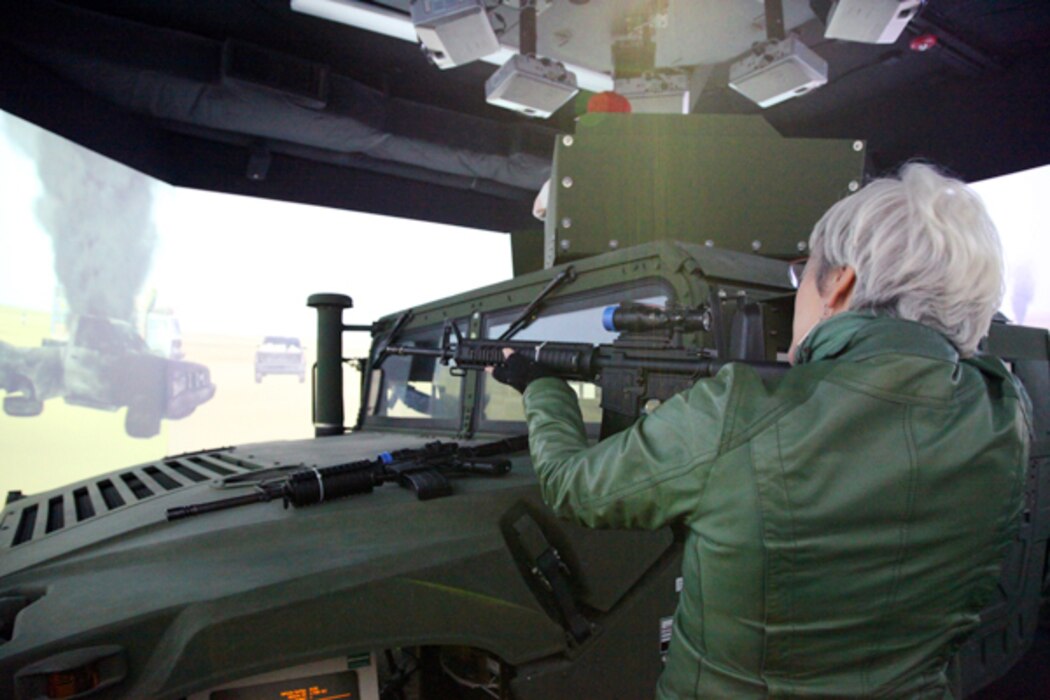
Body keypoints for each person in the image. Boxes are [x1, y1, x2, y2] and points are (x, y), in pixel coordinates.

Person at [493, 163, 1031, 698]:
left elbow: (574, 484)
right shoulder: (1004, 416)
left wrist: (539, 385)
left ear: (839, 285)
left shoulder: (740, 410)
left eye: (803, 274)